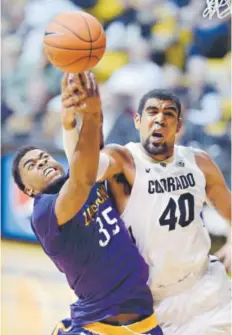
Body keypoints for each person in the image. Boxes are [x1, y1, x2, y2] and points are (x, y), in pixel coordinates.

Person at [63, 88, 231, 334]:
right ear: (138, 120)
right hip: (150, 303)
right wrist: (71, 125)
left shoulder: (199, 162)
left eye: (169, 113)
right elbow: (84, 172)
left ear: (179, 125)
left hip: (205, 288)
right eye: (152, 111)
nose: (160, 118)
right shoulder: (123, 160)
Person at [12, 72, 163, 335]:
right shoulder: (44, 212)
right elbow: (81, 179)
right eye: (32, 165)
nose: (43, 162)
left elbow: (91, 155)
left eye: (44, 157)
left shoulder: (85, 178)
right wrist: (91, 115)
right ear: (29, 188)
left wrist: (73, 116)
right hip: (99, 324)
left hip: (143, 319)